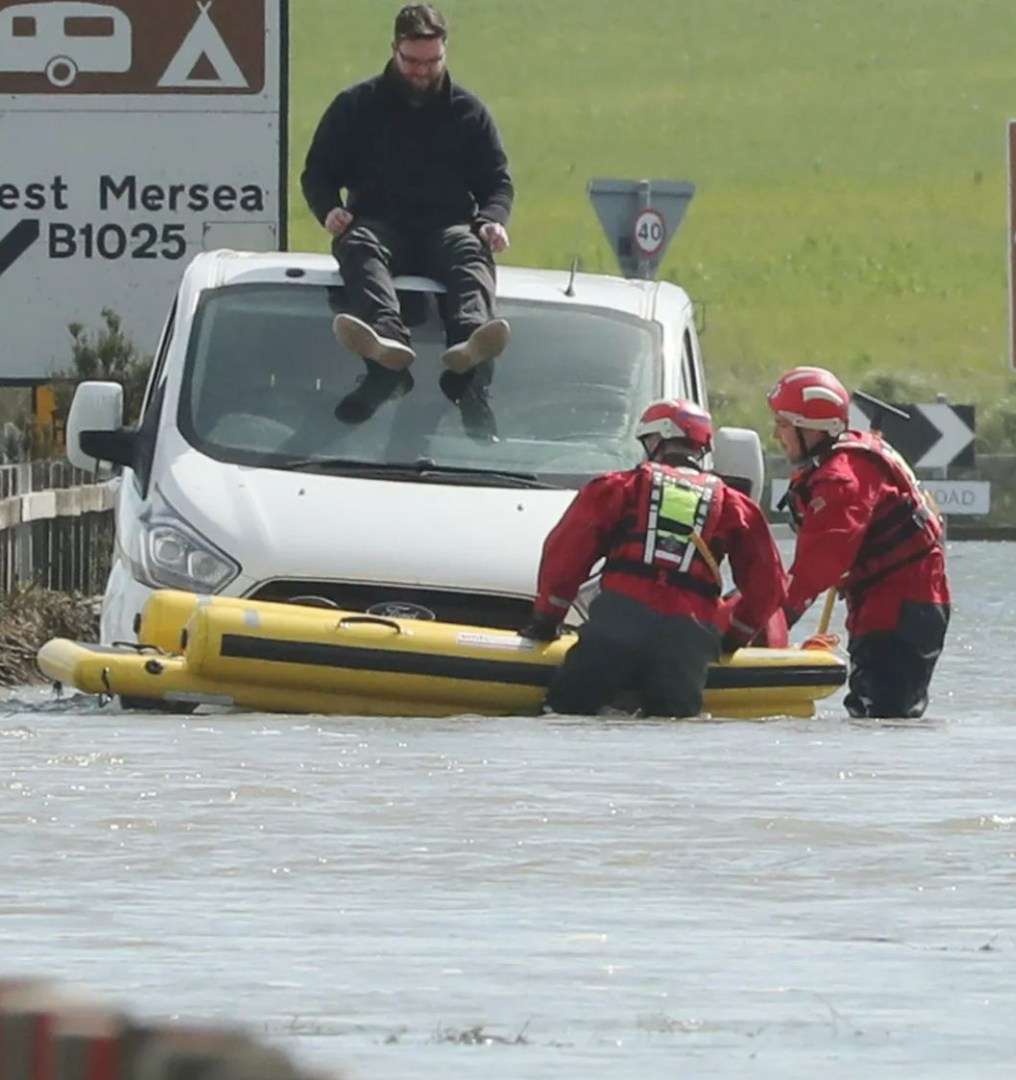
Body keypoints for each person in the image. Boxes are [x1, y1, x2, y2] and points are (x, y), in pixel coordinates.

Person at [298, 2, 514, 440]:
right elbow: (317, 172)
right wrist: (330, 210)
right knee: (359, 246)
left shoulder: (468, 112)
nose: (421, 71)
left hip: (448, 227)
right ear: (394, 50)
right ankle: (386, 342)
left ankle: (471, 342)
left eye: (432, 61)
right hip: (378, 223)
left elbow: (497, 181)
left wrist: (493, 219)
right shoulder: (355, 106)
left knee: (470, 252)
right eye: (412, 61)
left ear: (445, 52)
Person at [520, 399, 785, 717]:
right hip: (686, 643)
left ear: (657, 440)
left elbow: (566, 554)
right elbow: (768, 586)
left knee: (564, 715)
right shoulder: (734, 506)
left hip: (615, 629)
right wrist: (733, 638)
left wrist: (546, 620)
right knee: (672, 730)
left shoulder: (619, 487)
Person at [768, 366, 951, 718]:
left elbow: (817, 568)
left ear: (813, 429)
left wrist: (766, 625)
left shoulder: (842, 480)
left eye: (784, 424)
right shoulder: (844, 461)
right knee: (871, 711)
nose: (777, 435)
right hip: (889, 602)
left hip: (900, 609)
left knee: (883, 713)